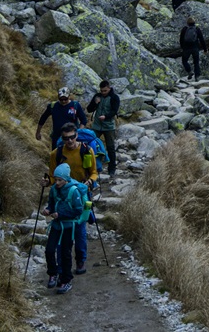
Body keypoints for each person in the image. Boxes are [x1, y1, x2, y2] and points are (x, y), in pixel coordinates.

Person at [46, 122, 98, 274]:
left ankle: (80, 260)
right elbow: (52, 176)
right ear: (61, 138)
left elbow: (94, 172)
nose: (69, 141)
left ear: (77, 135)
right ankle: (63, 263)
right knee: (63, 228)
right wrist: (47, 182)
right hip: (63, 196)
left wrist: (90, 181)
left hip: (83, 193)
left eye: (72, 137)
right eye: (65, 138)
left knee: (80, 228)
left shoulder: (86, 150)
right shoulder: (56, 153)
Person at [43, 162, 86, 294]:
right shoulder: (54, 190)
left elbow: (78, 210)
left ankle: (66, 280)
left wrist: (60, 214)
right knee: (49, 250)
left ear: (66, 179)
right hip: (56, 225)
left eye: (60, 180)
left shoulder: (74, 191)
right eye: (55, 179)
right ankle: (53, 273)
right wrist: (48, 209)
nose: (57, 182)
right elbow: (51, 203)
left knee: (65, 254)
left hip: (68, 226)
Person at [87, 80, 120, 179]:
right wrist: (95, 103)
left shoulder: (114, 98)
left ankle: (112, 169)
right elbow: (89, 109)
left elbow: (114, 111)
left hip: (109, 126)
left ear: (109, 88)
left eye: (105, 91)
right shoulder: (97, 96)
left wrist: (106, 116)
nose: (103, 93)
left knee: (110, 147)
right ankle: (91, 168)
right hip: (97, 125)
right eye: (101, 91)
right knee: (90, 145)